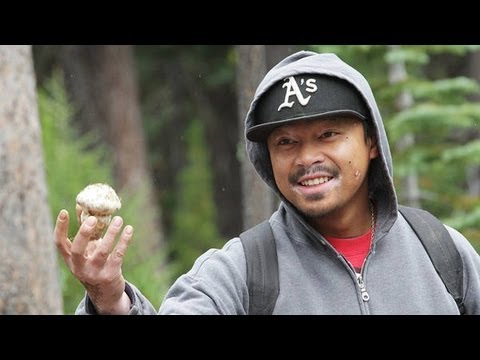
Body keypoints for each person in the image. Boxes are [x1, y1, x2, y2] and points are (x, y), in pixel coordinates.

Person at [54, 50, 480, 315]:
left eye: (328, 135)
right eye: (286, 142)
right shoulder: (239, 273)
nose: (307, 157)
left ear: (370, 141)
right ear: (266, 158)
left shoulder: (442, 253)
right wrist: (110, 302)